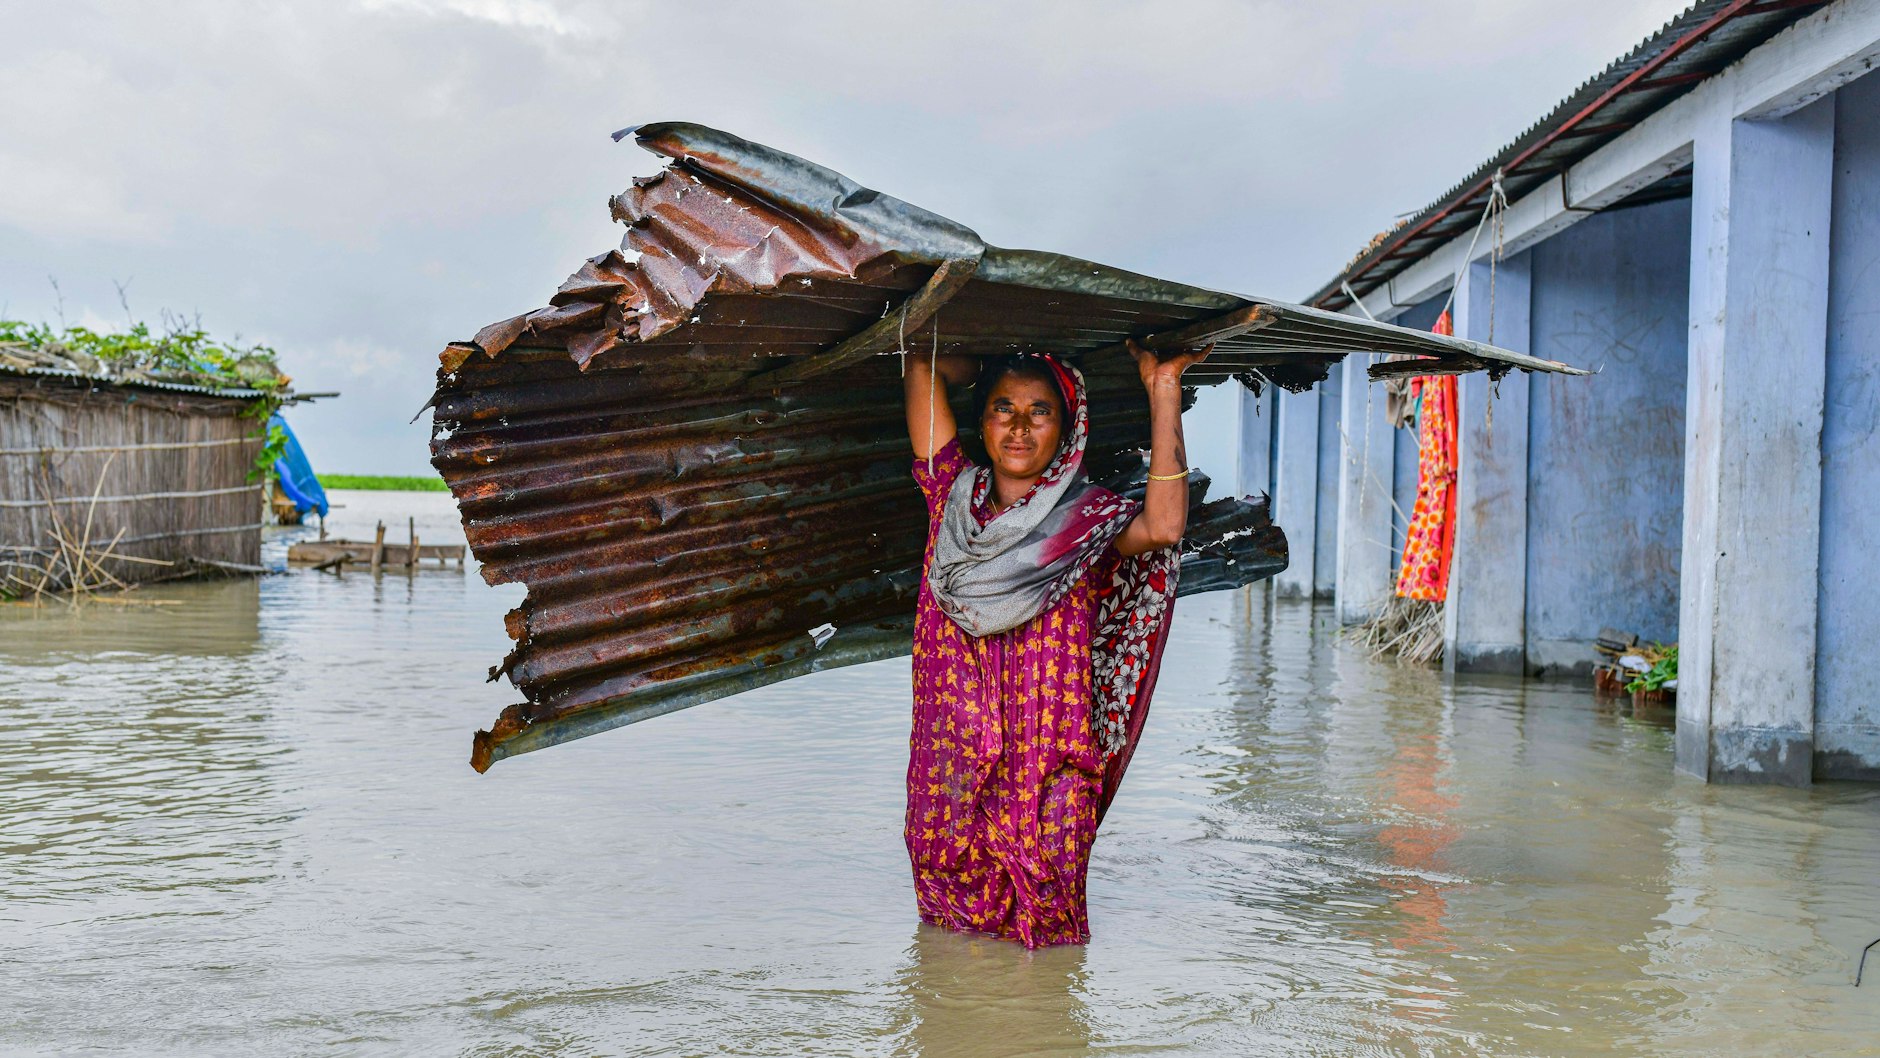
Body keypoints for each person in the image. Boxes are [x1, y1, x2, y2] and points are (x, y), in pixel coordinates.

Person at [901, 339, 1212, 948]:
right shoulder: (950, 503)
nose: (1018, 426)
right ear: (982, 420)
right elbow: (925, 365)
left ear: (1067, 428)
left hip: (1050, 782)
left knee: (1050, 960)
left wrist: (1164, 385)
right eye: (1002, 407)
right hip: (950, 782)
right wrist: (1003, 358)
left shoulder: (1088, 523)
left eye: (1040, 410)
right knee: (949, 959)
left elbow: (1166, 526)